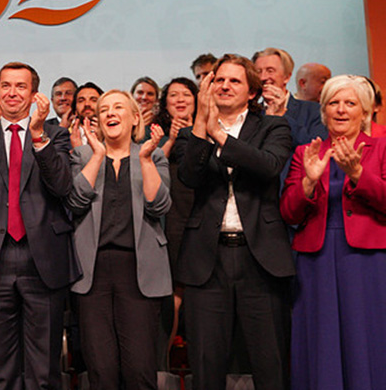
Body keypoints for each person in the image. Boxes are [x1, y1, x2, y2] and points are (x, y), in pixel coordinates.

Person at [174, 54, 294, 390]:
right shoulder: (190, 134)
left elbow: (269, 165)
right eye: (218, 80)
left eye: (234, 81)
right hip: (206, 262)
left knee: (270, 363)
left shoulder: (273, 125)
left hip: (261, 260)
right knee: (206, 365)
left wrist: (221, 136)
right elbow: (190, 177)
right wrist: (203, 125)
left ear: (252, 92)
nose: (224, 86)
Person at [0, 62, 79, 390]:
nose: (12, 93)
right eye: (6, 85)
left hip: (42, 259)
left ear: (34, 95)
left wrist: (37, 135)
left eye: (20, 86)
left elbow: (62, 187)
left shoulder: (55, 135)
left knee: (44, 371)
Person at [280, 75, 386, 389]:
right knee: (321, 338)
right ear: (323, 112)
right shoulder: (305, 153)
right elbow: (288, 212)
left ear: (365, 112)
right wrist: (308, 182)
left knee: (367, 335)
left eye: (350, 103)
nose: (340, 110)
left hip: (368, 259)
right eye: (333, 103)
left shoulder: (381, 149)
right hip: (317, 260)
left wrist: (357, 174)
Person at [67, 90, 171, 389]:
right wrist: (98, 154)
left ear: (135, 117)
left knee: (139, 368)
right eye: (104, 110)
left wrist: (147, 159)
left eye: (118, 108)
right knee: (101, 369)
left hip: (138, 270)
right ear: (97, 120)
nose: (110, 113)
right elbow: (75, 202)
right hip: (93, 270)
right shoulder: (83, 156)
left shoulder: (153, 154)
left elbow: (159, 206)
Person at [153, 77, 199, 355]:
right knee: (172, 293)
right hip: (171, 218)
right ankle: (163, 363)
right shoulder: (154, 131)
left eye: (186, 95)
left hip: (202, 213)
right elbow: (151, 164)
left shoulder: (210, 129)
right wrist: (171, 138)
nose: (180, 100)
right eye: (173, 96)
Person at [252, 47, 326, 149]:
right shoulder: (251, 112)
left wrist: (282, 114)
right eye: (258, 72)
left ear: (287, 77)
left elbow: (314, 148)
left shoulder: (314, 111)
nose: (263, 77)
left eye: (270, 71)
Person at [69, 82, 103, 148]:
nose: (87, 104)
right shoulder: (64, 137)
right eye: (81, 101)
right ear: (75, 110)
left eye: (93, 100)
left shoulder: (112, 135)